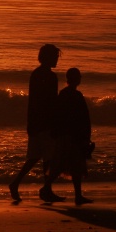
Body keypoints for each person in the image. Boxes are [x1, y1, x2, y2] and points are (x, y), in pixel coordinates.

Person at [8, 43, 64, 202]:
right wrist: (55, 122)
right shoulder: (50, 77)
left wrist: (30, 123)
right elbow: (51, 102)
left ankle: (18, 183)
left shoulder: (36, 74)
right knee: (47, 158)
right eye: (54, 57)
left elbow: (33, 101)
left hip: (37, 121)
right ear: (48, 58)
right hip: (46, 122)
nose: (56, 60)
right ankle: (46, 189)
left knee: (35, 157)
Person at [46, 67, 93, 205]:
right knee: (70, 164)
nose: (79, 79)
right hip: (72, 135)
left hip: (68, 134)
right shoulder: (75, 95)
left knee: (69, 165)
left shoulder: (65, 94)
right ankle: (48, 188)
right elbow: (82, 118)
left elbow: (58, 114)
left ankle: (77, 195)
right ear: (75, 79)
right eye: (78, 76)